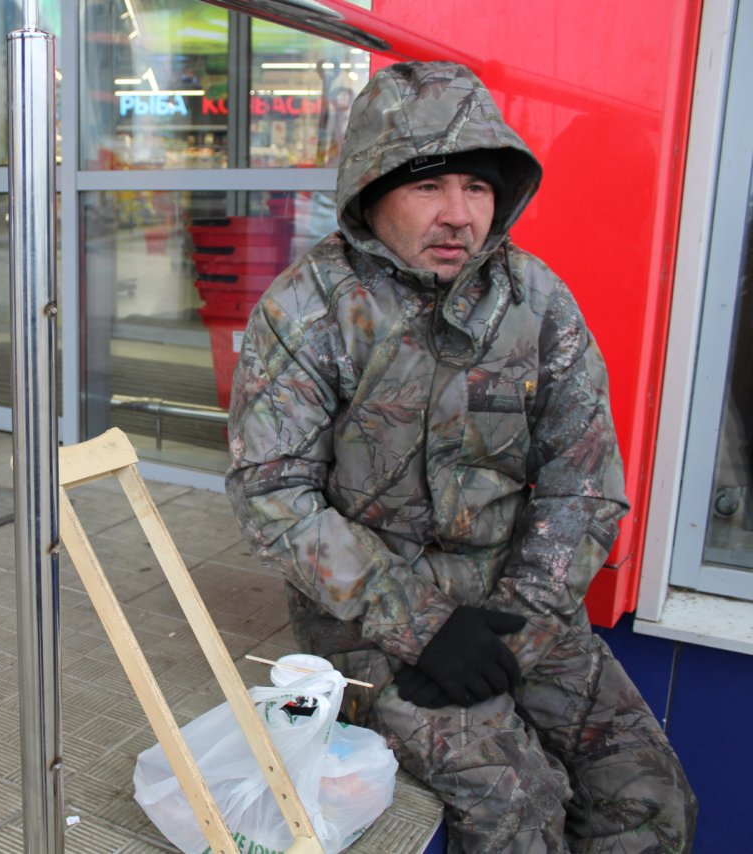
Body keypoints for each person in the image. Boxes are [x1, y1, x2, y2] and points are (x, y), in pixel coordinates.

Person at [225, 61, 697, 852]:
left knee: (649, 794)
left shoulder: (537, 301)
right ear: (372, 191)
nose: (458, 215)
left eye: (477, 189)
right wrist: (423, 627)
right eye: (429, 187)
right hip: (369, 619)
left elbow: (585, 485)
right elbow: (273, 493)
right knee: (517, 806)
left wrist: (521, 621)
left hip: (517, 601)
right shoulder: (307, 310)